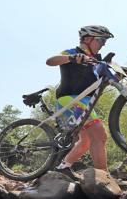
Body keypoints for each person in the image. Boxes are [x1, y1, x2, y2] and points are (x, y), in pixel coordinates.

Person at [45, 25, 113, 178]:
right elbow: (50, 61)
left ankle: (64, 167)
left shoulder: (97, 59)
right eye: (101, 40)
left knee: (86, 140)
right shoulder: (74, 52)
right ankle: (103, 178)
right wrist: (72, 58)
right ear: (88, 39)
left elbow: (105, 78)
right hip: (70, 100)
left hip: (86, 102)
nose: (104, 44)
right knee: (99, 135)